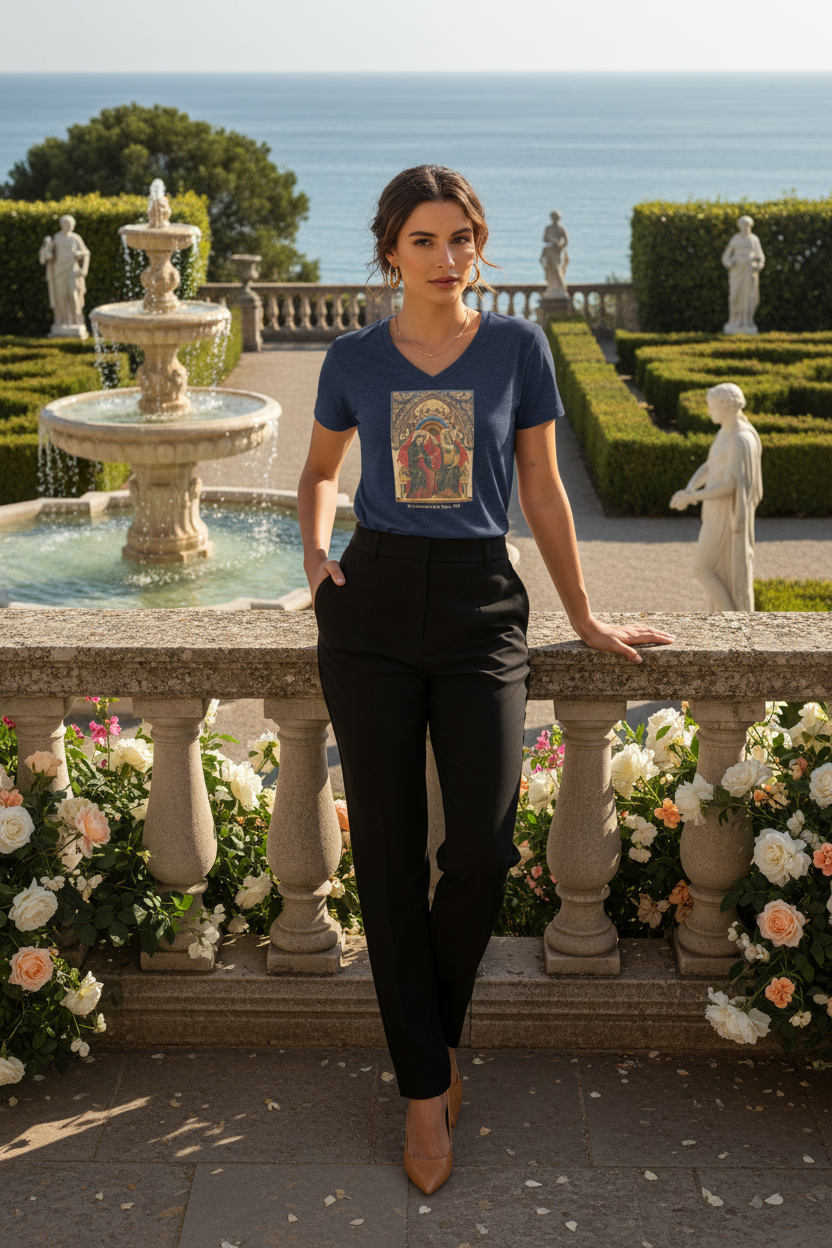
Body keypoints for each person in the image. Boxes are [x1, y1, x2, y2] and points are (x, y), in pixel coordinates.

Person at [298, 165, 674, 1194]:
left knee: (482, 845)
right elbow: (321, 471)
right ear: (391, 250)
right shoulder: (352, 358)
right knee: (381, 850)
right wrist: (315, 553)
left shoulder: (518, 348)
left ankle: (432, 1039)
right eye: (423, 239)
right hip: (370, 606)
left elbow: (545, 492)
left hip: (477, 607)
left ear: (479, 244)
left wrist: (584, 615)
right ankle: (425, 1094)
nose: (445, 256)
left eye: (460, 237)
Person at [669, 382, 763, 610]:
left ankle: (732, 621)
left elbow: (731, 485)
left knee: (703, 568)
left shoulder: (741, 440)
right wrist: (690, 488)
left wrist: (695, 497)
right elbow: (710, 466)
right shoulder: (725, 433)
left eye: (712, 406)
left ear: (727, 407)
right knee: (713, 570)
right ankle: (725, 619)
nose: (709, 410)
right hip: (714, 512)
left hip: (726, 518)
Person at [721, 215, 765, 335]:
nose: (745, 227)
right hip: (737, 272)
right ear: (739, 226)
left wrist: (758, 264)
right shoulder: (735, 239)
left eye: (747, 225)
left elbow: (761, 256)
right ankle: (734, 321)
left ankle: (748, 322)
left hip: (750, 272)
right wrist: (730, 263)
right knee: (735, 296)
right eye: (743, 225)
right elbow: (726, 256)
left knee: (750, 298)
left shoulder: (754, 239)